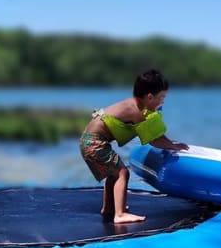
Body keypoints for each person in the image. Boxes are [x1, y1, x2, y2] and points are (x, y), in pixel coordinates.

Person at [79, 69, 188, 224]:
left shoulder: (135, 104)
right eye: (162, 97)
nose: (163, 102)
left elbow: (155, 134)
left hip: (88, 141)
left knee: (113, 173)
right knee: (122, 173)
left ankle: (109, 208)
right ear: (149, 97)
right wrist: (174, 147)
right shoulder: (136, 112)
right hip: (94, 143)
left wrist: (170, 143)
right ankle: (120, 214)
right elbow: (154, 140)